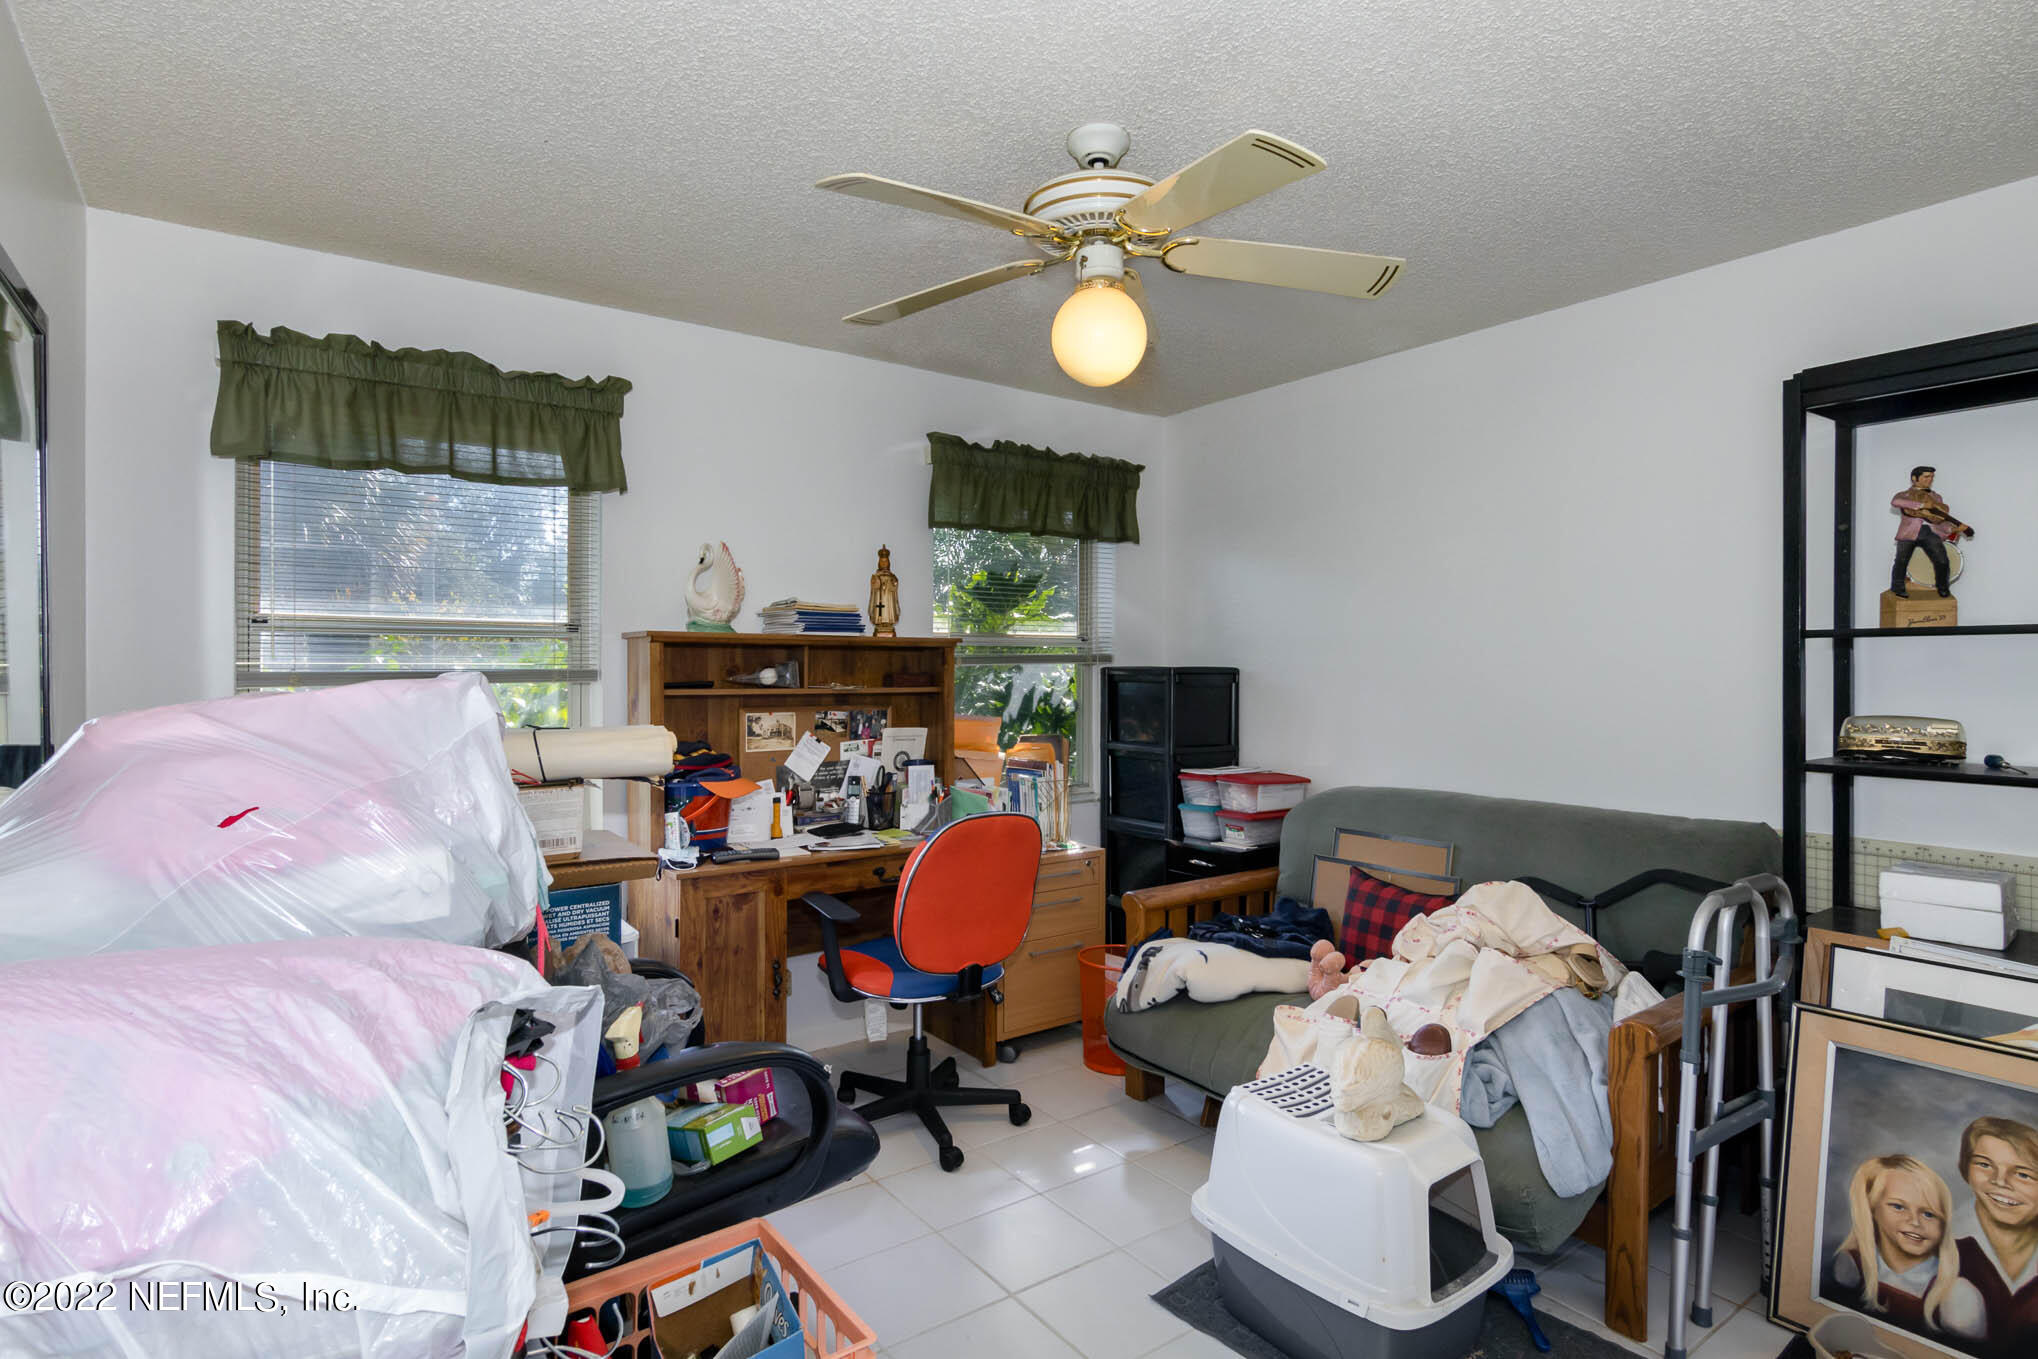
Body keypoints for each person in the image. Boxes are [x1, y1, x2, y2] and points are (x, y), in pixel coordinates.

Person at [1827, 1153, 1987, 1345]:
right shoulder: (1851, 1266)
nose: (1915, 1222)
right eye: (1898, 1207)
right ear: (1871, 1209)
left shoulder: (1957, 1297)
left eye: (1929, 1214)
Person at [1955, 1117, 2038, 1355]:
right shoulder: (1933, 1242)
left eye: (2023, 1174)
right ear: (1965, 1168)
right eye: (1984, 1164)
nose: (1999, 1181)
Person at [1890, 465, 1974, 599]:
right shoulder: (1904, 495)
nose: (1929, 480)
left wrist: (1954, 529)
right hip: (1908, 532)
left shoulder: (1936, 497)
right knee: (1901, 560)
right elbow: (1896, 502)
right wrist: (1922, 505)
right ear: (1914, 478)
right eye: (1926, 477)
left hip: (1929, 531)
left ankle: (1943, 587)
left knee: (1942, 560)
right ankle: (1897, 587)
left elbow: (1939, 520)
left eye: (1931, 477)